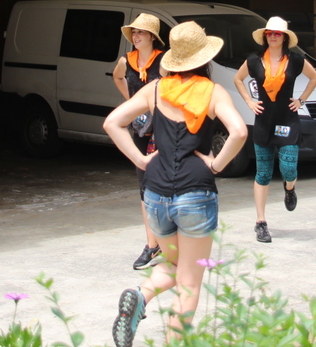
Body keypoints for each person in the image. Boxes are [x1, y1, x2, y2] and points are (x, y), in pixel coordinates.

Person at [104, 21, 247, 347]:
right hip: (195, 192)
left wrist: (141, 160)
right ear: (204, 57)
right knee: (190, 282)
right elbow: (239, 132)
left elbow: (113, 122)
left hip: (155, 193)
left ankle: (140, 295)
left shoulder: (154, 89)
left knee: (174, 263)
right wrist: (216, 164)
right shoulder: (213, 92)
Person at [233, 17, 316, 243]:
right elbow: (238, 79)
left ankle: (289, 189)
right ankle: (260, 222)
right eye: (269, 33)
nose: (272, 36)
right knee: (263, 173)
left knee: (289, 169)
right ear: (265, 36)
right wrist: (249, 101)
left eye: (277, 33)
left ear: (285, 37)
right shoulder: (254, 60)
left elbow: (314, 78)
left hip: (287, 121)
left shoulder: (296, 60)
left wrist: (301, 100)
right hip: (264, 122)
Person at [111, 13, 168, 270]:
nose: (136, 36)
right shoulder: (127, 60)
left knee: (165, 183)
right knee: (144, 187)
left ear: (152, 37)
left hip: (163, 128)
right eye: (134, 32)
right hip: (140, 129)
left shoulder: (163, 61)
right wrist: (133, 103)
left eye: (141, 32)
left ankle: (167, 241)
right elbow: (117, 77)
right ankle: (152, 245)